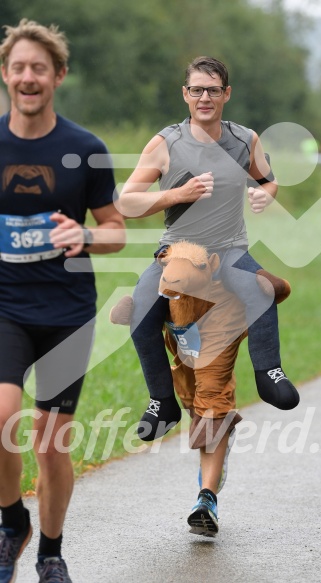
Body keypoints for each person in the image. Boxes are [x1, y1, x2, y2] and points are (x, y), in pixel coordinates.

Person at [117, 56, 299, 535]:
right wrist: (175, 195)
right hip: (175, 254)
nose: (204, 98)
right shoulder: (166, 143)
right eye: (196, 89)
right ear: (185, 94)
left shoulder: (244, 139)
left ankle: (270, 371)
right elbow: (125, 201)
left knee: (260, 288)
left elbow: (268, 179)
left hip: (231, 252)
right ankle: (161, 400)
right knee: (138, 307)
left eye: (212, 90)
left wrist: (266, 193)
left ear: (226, 94)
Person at [0, 19, 125, 583]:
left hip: (68, 313)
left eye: (39, 68)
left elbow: (116, 229)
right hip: (5, 305)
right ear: (6, 75)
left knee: (52, 444)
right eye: (19, 67)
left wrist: (86, 237)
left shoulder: (84, 149)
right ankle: (11, 523)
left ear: (58, 76)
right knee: (0, 415)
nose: (29, 77)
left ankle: (51, 552)